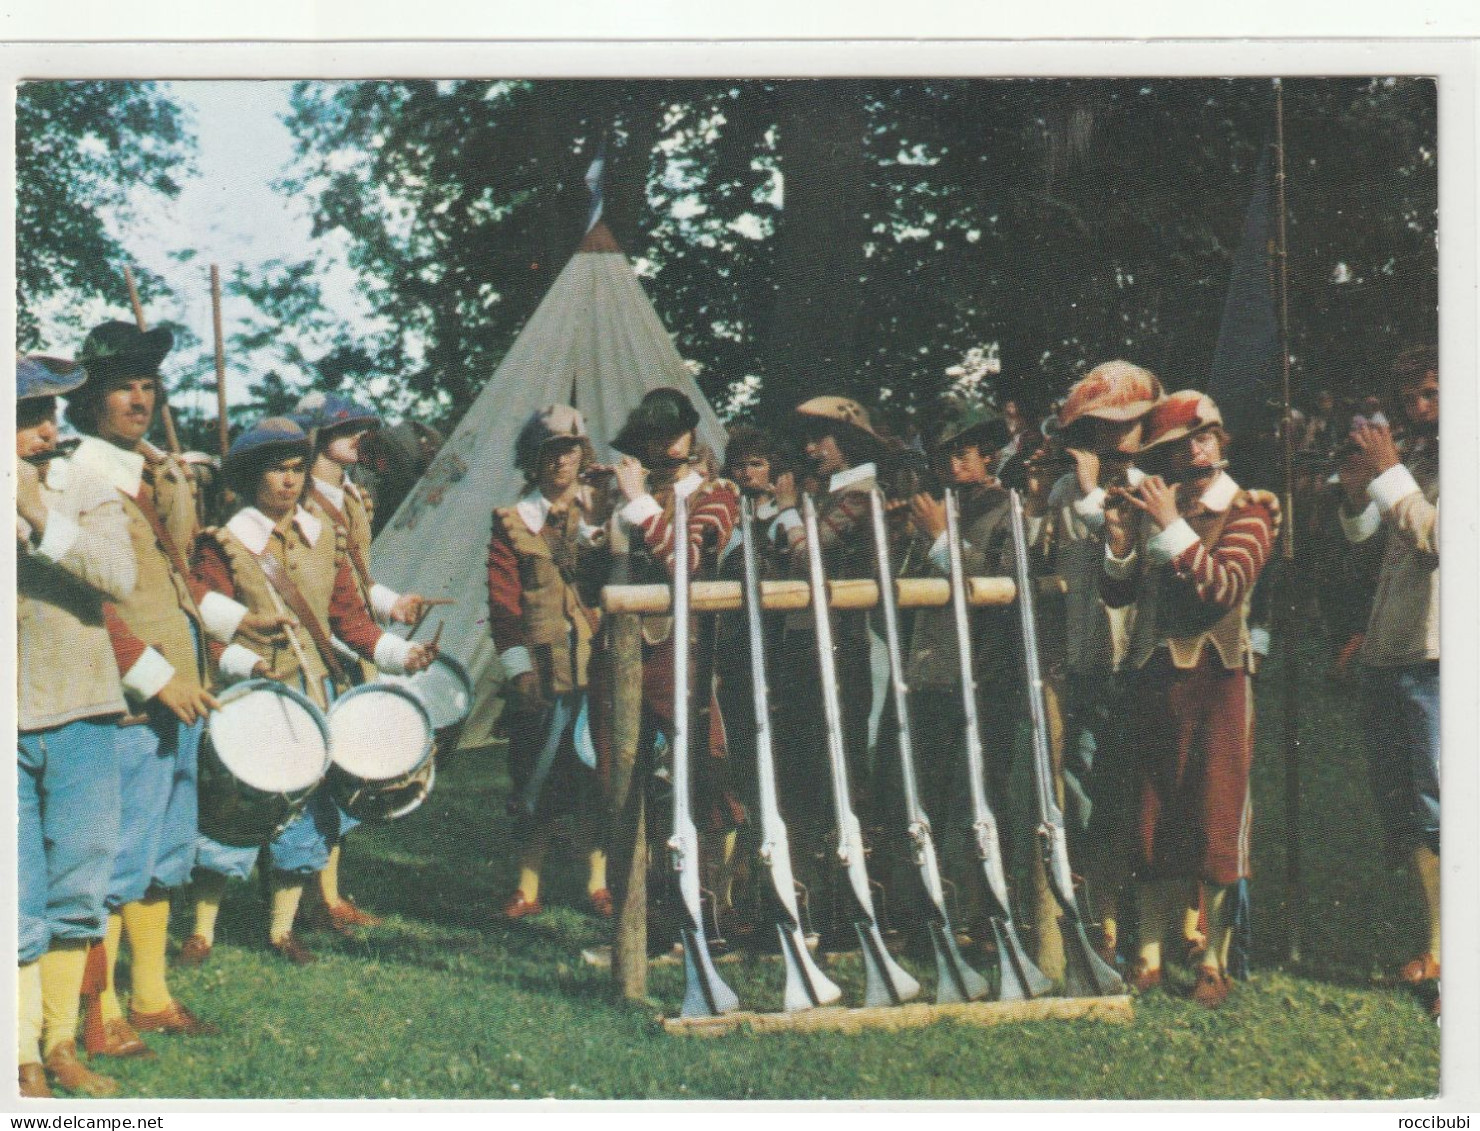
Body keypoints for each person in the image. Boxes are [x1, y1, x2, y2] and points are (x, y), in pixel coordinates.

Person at [66, 322, 249, 1057]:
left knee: (166, 852)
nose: (140, 400)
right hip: (123, 693)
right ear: (91, 400)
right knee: (114, 857)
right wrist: (154, 675)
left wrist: (242, 631)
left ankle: (150, 995)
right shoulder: (79, 474)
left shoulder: (152, 468)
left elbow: (181, 578)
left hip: (182, 688)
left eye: (148, 386)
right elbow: (93, 602)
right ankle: (98, 1008)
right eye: (123, 387)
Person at [190, 418, 435, 965]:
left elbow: (349, 620)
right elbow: (202, 630)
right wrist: (250, 661)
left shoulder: (322, 538)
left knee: (306, 813)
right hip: (251, 694)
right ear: (252, 476)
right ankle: (201, 932)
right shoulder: (224, 545)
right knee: (234, 808)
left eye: (297, 469)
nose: (288, 481)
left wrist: (400, 654)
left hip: (314, 692)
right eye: (276, 470)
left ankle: (281, 930)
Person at [1102, 391, 1278, 1009]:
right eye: (1183, 443)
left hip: (1220, 679)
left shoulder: (1252, 507)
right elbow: (1119, 595)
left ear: (1220, 440)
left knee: (1219, 814)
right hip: (1156, 676)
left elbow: (1221, 587)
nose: (1197, 449)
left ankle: (1213, 959)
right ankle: (1148, 950)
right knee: (1151, 810)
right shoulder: (1162, 506)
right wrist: (1122, 540)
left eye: (1205, 436)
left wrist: (1167, 525)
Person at [16, 356, 136, 1097]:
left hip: (84, 710)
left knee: (80, 882)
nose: (47, 431)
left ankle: (60, 1042)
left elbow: (118, 578)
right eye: (29, 417)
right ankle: (20, 1055)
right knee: (14, 893)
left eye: (52, 415)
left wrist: (36, 515)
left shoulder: (85, 490)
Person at [1034, 360, 1164, 967]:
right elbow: (1054, 571)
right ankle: (1094, 907)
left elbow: (1128, 568)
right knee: (1081, 783)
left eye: (1123, 428)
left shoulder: (1152, 488)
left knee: (1128, 790)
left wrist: (1092, 499)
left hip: (1138, 661)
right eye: (1096, 432)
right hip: (1083, 658)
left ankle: (1132, 918)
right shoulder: (1064, 492)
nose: (1110, 444)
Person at [606, 388, 744, 941]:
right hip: (620, 649)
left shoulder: (716, 492)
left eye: (671, 432)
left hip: (685, 651)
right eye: (652, 434)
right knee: (623, 786)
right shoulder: (631, 492)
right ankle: (639, 927)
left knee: (702, 781)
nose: (662, 443)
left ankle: (710, 918)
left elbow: (683, 562)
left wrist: (638, 504)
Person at [292, 391, 428, 934]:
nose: (358, 437)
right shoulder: (298, 498)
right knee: (306, 772)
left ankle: (326, 891)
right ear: (317, 438)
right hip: (313, 642)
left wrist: (391, 603)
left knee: (342, 773)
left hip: (350, 638)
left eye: (361, 428)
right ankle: (299, 894)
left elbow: (356, 577)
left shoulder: (351, 496)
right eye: (346, 428)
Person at [1337, 345, 1440, 1020]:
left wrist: (1390, 472)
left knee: (1445, 803)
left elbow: (1439, 538)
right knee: (1405, 809)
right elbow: (1364, 536)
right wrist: (1355, 487)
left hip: (1440, 655)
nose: (1417, 407)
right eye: (1408, 395)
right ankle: (1438, 941)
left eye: (1430, 393)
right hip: (1392, 650)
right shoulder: (1424, 458)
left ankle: (1451, 953)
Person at [769, 395, 890, 938]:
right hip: (806, 644)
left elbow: (806, 553)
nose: (811, 449)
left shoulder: (861, 496)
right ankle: (816, 900)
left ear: (848, 443)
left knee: (838, 771)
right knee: (806, 772)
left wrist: (791, 509)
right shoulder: (832, 494)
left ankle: (850, 907)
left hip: (842, 646)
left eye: (822, 439)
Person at [488, 405, 612, 920]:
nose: (560, 462)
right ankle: (527, 887)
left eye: (569, 449)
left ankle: (599, 884)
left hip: (598, 663)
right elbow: (503, 603)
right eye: (549, 452)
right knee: (534, 778)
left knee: (596, 778)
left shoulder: (605, 512)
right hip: (540, 669)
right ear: (532, 461)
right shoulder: (513, 523)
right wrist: (518, 669)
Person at [901, 408, 1015, 947]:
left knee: (977, 802)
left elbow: (998, 586)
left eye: (962, 453)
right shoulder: (937, 510)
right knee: (927, 797)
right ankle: (929, 913)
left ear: (988, 457)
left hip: (982, 673)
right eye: (945, 454)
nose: (951, 463)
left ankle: (982, 916)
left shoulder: (1006, 509)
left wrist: (943, 541)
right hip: (928, 669)